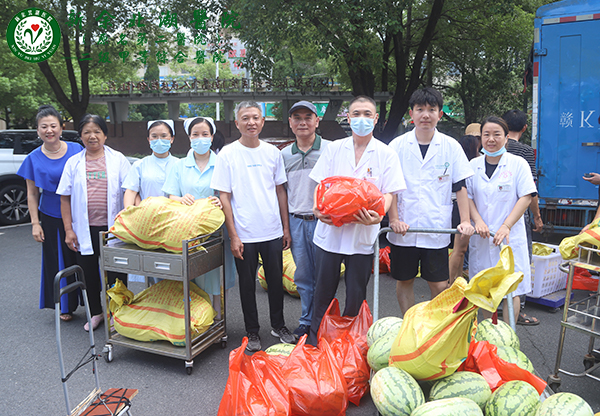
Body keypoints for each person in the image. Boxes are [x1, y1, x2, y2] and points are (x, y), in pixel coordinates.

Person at [308, 96, 406, 346]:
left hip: (362, 234)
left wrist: (378, 215)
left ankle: (351, 346)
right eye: (356, 114)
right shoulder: (334, 148)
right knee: (323, 295)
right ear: (348, 118)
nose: (361, 119)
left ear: (375, 119)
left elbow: (389, 192)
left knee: (356, 295)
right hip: (330, 232)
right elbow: (321, 185)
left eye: (367, 114)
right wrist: (317, 209)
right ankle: (315, 344)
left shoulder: (386, 153)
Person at [211, 101, 294, 352]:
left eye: (255, 117)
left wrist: (285, 228)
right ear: (237, 123)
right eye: (245, 118)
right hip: (244, 233)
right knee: (247, 285)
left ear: (263, 121)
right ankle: (252, 331)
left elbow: (280, 191)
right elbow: (223, 195)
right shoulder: (227, 154)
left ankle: (278, 325)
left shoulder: (272, 152)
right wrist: (233, 235)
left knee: (275, 282)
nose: (251, 122)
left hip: (271, 230)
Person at [387, 87, 474, 315]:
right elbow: (390, 188)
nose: (426, 115)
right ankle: (409, 323)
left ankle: (434, 326)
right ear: (411, 113)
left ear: (440, 114)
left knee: (438, 283)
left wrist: (465, 221)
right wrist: (394, 218)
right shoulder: (396, 146)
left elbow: (460, 186)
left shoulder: (451, 146)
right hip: (403, 227)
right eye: (420, 110)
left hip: (435, 226)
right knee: (404, 280)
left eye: (431, 110)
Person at [57, 115, 130, 331]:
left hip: (113, 229)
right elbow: (64, 197)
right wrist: (69, 230)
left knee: (116, 274)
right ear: (80, 136)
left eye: (97, 131)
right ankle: (96, 312)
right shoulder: (73, 162)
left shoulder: (118, 159)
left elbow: (130, 191)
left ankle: (118, 314)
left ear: (105, 135)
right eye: (87, 132)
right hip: (84, 229)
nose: (92, 136)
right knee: (88, 274)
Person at [467, 116, 538, 326]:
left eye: (497, 134)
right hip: (482, 236)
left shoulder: (518, 164)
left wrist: (506, 225)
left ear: (506, 138)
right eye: (486, 134)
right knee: (484, 289)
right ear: (480, 137)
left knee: (511, 290)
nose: (491, 139)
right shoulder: (473, 165)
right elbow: (468, 197)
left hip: (509, 237)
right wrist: (477, 221)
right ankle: (488, 336)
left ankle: (507, 335)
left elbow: (526, 196)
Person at [161, 116, 234, 317]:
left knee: (219, 274)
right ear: (189, 137)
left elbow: (231, 193)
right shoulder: (179, 165)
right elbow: (170, 195)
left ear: (212, 137)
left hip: (217, 230)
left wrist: (221, 199)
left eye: (205, 134)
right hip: (188, 230)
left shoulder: (222, 163)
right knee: (195, 274)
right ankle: (198, 316)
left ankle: (220, 316)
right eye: (195, 134)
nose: (200, 138)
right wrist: (181, 198)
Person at [17, 105, 84, 322]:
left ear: (61, 127)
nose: (49, 130)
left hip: (80, 212)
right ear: (37, 131)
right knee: (58, 260)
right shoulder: (33, 158)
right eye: (43, 126)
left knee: (85, 258)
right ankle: (64, 305)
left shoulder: (77, 150)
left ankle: (93, 301)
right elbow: (32, 194)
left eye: (53, 125)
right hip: (51, 214)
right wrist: (35, 223)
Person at [281, 100, 331, 340]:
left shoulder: (331, 150)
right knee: (303, 275)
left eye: (308, 117)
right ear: (290, 123)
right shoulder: (283, 155)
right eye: (297, 118)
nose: (303, 122)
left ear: (316, 121)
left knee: (326, 274)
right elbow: (281, 192)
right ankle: (306, 321)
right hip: (297, 221)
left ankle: (325, 322)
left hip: (325, 221)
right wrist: (285, 228)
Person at [122, 120, 178, 209]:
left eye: (164, 136)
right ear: (149, 140)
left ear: (172, 139)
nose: (159, 140)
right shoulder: (139, 165)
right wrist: (128, 211)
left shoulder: (180, 165)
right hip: (147, 215)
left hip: (175, 216)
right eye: (154, 136)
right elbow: (131, 191)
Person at [448, 134, 481, 283]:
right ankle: (449, 283)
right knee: (459, 250)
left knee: (460, 251)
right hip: (459, 208)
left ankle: (458, 280)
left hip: (456, 207)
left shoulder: (461, 162)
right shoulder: (469, 165)